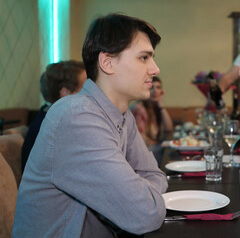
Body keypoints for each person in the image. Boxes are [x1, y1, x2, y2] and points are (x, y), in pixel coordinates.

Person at [12, 13, 168, 237]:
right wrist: (141, 198)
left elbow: (154, 174)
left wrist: (141, 194)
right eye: (144, 58)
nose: (155, 69)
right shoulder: (78, 118)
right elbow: (145, 214)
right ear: (107, 62)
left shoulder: (123, 114)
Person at [21, 60, 87, 172]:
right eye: (84, 88)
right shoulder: (55, 127)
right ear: (65, 93)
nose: (90, 93)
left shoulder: (47, 115)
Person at [132, 76, 173, 146]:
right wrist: (159, 145)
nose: (155, 91)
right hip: (144, 150)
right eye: (151, 88)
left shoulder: (155, 107)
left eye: (158, 87)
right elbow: (140, 138)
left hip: (153, 147)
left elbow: (169, 129)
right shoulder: (140, 109)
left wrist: (160, 103)